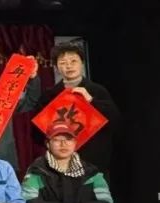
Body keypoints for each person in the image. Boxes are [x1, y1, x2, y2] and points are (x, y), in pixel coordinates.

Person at [39, 43, 120, 179]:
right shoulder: (50, 95)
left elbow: (114, 121)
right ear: (56, 67)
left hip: (94, 162)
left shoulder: (97, 90)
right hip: (61, 164)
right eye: (63, 62)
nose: (68, 66)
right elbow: (39, 131)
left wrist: (91, 100)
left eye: (73, 61)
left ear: (82, 63)